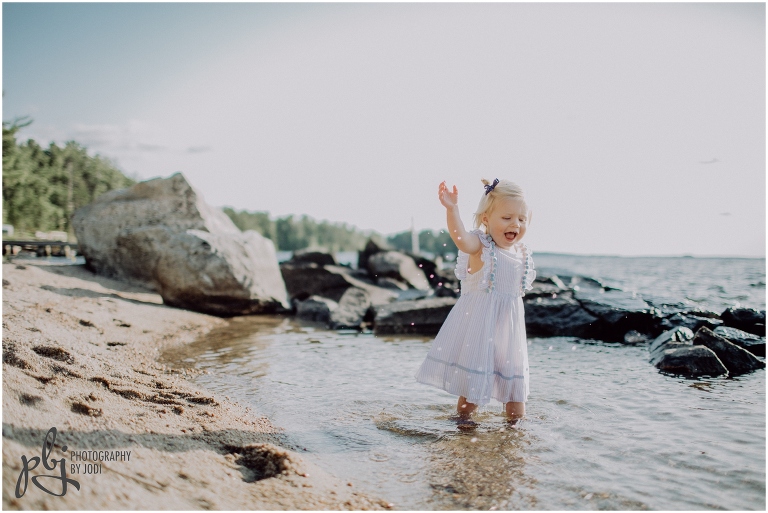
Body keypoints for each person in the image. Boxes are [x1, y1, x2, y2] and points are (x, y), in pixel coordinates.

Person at [414, 178, 535, 425]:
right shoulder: (482, 247)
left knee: (515, 390)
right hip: (480, 331)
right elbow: (461, 239)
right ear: (486, 219)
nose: (515, 224)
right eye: (507, 217)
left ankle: (515, 435)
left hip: (509, 336)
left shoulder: (521, 253)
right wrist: (452, 209)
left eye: (522, 219)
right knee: (473, 391)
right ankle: (462, 427)